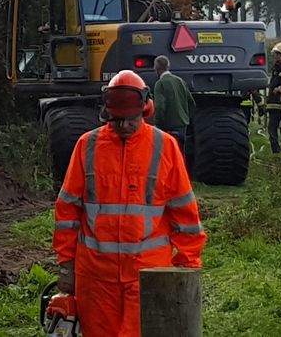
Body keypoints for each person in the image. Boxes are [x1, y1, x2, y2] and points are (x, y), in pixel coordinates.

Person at [53, 70, 206, 336]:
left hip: (148, 275)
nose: (123, 126)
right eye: (117, 120)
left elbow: (185, 214)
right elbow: (68, 211)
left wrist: (187, 268)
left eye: (129, 120)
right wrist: (66, 266)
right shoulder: (86, 146)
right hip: (95, 276)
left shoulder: (165, 146)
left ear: (145, 109)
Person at [151, 55, 196, 149]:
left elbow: (160, 107)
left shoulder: (160, 84)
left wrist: (158, 125)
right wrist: (186, 118)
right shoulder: (180, 81)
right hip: (182, 125)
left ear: (156, 68)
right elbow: (191, 103)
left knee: (168, 153)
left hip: (168, 127)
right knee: (180, 154)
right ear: (168, 66)